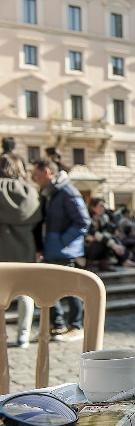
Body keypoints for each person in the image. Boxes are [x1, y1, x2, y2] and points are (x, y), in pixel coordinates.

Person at [31, 159, 90, 342]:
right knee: (49, 289)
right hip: (52, 250)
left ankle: (76, 326)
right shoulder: (50, 192)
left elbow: (83, 221)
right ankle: (57, 326)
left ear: (47, 171)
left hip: (65, 251)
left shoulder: (66, 191)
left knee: (71, 290)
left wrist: (61, 241)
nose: (34, 177)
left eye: (36, 173)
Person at [0, 137, 41, 348]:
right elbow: (37, 219)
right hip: (25, 248)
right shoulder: (30, 191)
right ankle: (23, 335)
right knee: (26, 294)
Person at [85, 197, 124, 272]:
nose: (103, 208)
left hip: (98, 243)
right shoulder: (87, 219)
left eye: (104, 206)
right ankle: (89, 264)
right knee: (101, 241)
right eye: (101, 206)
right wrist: (114, 245)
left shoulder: (103, 218)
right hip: (85, 248)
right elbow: (94, 234)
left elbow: (107, 233)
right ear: (93, 207)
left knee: (108, 239)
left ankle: (104, 263)